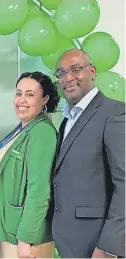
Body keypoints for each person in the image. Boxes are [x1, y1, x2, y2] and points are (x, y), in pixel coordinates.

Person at [52, 49, 125, 258]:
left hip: (97, 244)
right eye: (61, 73)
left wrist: (109, 248)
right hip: (70, 242)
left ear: (92, 71)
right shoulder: (67, 120)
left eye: (75, 69)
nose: (68, 78)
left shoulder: (114, 113)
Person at [0, 72, 60, 258]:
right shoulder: (23, 128)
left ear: (44, 99)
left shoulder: (42, 132)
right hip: (10, 232)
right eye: (18, 93)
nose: (21, 100)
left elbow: (39, 190)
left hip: (26, 240)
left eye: (30, 95)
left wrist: (25, 240)